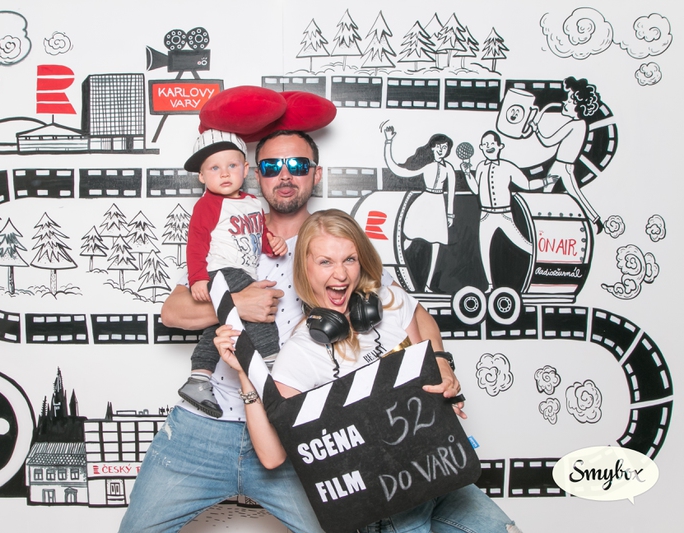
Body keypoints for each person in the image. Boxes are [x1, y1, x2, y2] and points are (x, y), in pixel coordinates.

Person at [119, 130, 452, 533]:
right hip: (206, 424)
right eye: (273, 166)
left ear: (316, 174)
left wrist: (439, 361)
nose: (285, 175)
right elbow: (172, 312)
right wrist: (236, 305)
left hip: (293, 428)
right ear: (256, 174)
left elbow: (412, 311)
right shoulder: (233, 229)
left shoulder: (333, 242)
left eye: (297, 165)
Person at [214, 209, 521, 533]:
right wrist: (244, 374)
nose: (341, 274)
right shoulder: (301, 352)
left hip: (442, 466)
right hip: (390, 497)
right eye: (325, 262)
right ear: (304, 267)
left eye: (349, 259)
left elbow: (423, 324)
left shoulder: (388, 301)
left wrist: (441, 368)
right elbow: (272, 456)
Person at [177, 129, 287, 419]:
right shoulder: (208, 204)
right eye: (214, 168)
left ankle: (198, 378)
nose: (224, 173)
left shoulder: (253, 203)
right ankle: (272, 366)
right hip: (222, 270)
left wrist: (272, 244)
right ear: (202, 177)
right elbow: (196, 241)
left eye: (232, 165)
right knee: (260, 306)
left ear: (245, 169)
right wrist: (198, 277)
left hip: (241, 269)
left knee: (222, 327)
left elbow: (257, 237)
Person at [462, 130, 558, 293]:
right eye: (485, 144)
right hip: (485, 216)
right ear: (481, 147)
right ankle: (490, 286)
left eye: (492, 143)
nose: (489, 146)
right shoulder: (480, 167)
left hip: (504, 215)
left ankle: (546, 266)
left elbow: (527, 185)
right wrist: (466, 173)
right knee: (484, 250)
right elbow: (476, 190)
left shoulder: (508, 167)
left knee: (523, 244)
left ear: (500, 146)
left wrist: (545, 181)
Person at [383, 127, 456, 292]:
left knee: (436, 244)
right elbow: (398, 170)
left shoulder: (449, 169)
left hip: (438, 206)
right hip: (423, 204)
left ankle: (429, 285)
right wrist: (388, 142)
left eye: (445, 147)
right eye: (438, 146)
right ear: (432, 148)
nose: (441, 150)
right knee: (407, 237)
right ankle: (393, 272)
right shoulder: (427, 166)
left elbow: (451, 193)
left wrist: (450, 214)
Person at [531, 76, 604, 233]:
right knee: (552, 192)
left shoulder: (575, 125)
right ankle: (593, 220)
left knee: (565, 194)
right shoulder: (581, 124)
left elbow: (548, 141)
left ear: (578, 106)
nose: (564, 102)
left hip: (562, 166)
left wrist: (536, 129)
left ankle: (546, 224)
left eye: (570, 100)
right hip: (562, 165)